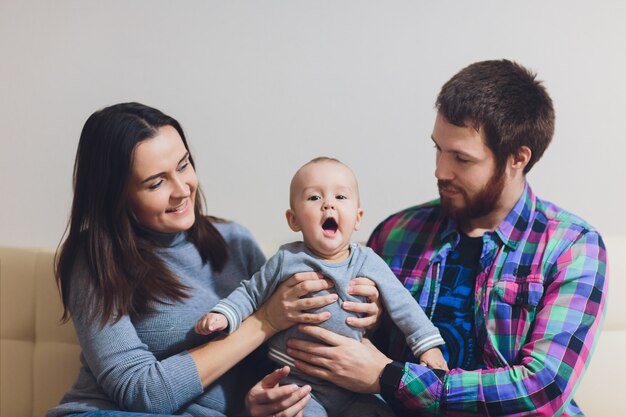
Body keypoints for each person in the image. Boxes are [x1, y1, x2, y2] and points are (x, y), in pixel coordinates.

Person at [272, 59, 608, 417]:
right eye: (439, 149)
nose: (440, 171)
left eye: (461, 158)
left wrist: (390, 378)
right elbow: (352, 358)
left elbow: (542, 388)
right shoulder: (397, 234)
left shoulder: (572, 247)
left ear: (517, 158)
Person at [47, 103, 382, 417]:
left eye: (183, 165)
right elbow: (141, 392)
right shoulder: (94, 258)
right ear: (116, 195)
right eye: (156, 182)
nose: (182, 189)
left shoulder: (233, 241)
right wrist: (264, 320)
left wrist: (364, 312)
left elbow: (275, 352)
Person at [195, 157, 447, 417]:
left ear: (358, 217)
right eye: (314, 198)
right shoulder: (286, 260)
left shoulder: (367, 261)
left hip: (354, 384)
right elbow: (250, 293)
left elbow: (403, 304)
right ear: (294, 220)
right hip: (298, 380)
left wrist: (427, 346)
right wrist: (223, 314)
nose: (328, 203)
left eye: (340, 196)